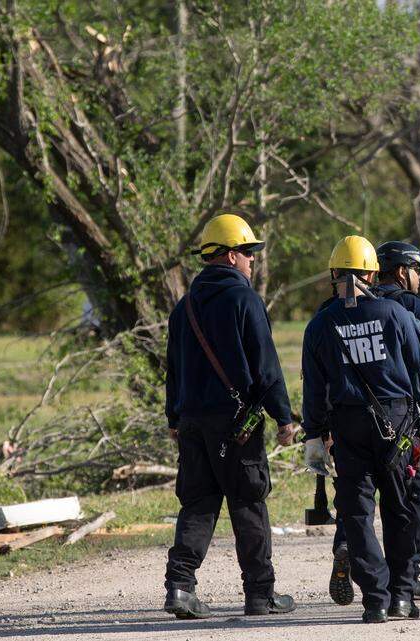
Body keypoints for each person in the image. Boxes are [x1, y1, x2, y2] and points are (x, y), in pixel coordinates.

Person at [163, 213, 299, 619]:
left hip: (191, 422)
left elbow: (174, 368)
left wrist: (174, 417)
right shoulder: (244, 300)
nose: (253, 260)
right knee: (248, 503)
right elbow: (266, 367)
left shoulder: (183, 307)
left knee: (198, 504)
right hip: (236, 426)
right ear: (230, 255)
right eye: (249, 252)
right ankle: (261, 595)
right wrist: (284, 418)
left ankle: (180, 587)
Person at [301, 235, 420, 623]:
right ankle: (402, 596)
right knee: (400, 509)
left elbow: (314, 384)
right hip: (396, 421)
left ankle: (374, 599)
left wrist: (313, 433)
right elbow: (419, 359)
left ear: (335, 274)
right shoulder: (394, 313)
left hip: (347, 423)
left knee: (356, 514)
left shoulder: (321, 322)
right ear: (373, 273)